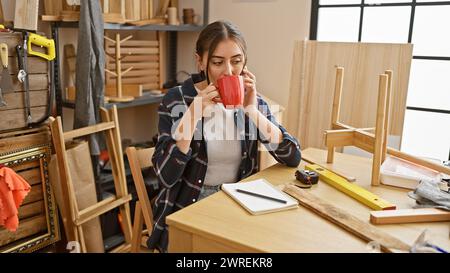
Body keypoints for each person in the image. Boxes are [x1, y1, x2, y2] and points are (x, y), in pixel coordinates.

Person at [148, 20, 301, 252]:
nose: (229, 71)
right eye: (218, 62)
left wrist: (252, 111)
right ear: (201, 61)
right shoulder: (177, 100)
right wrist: (193, 114)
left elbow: (292, 157)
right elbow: (166, 177)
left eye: (237, 62)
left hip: (238, 200)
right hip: (189, 204)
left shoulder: (252, 99)